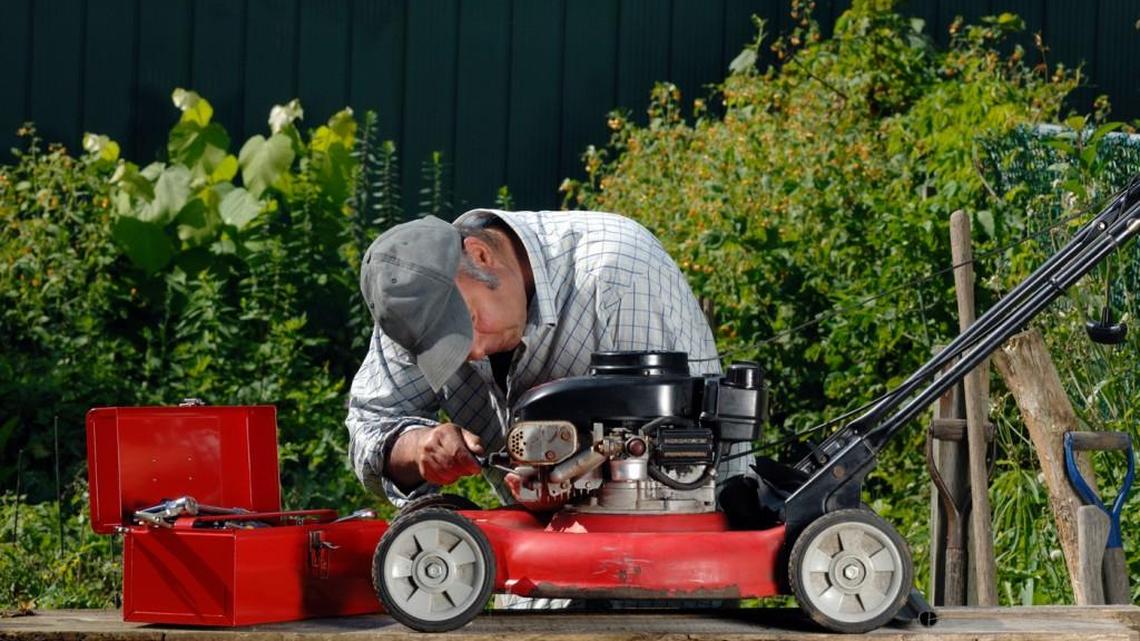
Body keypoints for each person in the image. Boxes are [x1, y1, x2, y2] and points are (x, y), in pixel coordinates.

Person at [346, 209, 748, 509]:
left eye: (467, 322)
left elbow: (688, 465)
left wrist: (569, 475)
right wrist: (417, 448)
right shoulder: (411, 305)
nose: (472, 353)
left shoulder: (617, 279)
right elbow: (370, 423)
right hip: (535, 581)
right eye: (442, 348)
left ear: (481, 256)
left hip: (666, 575)